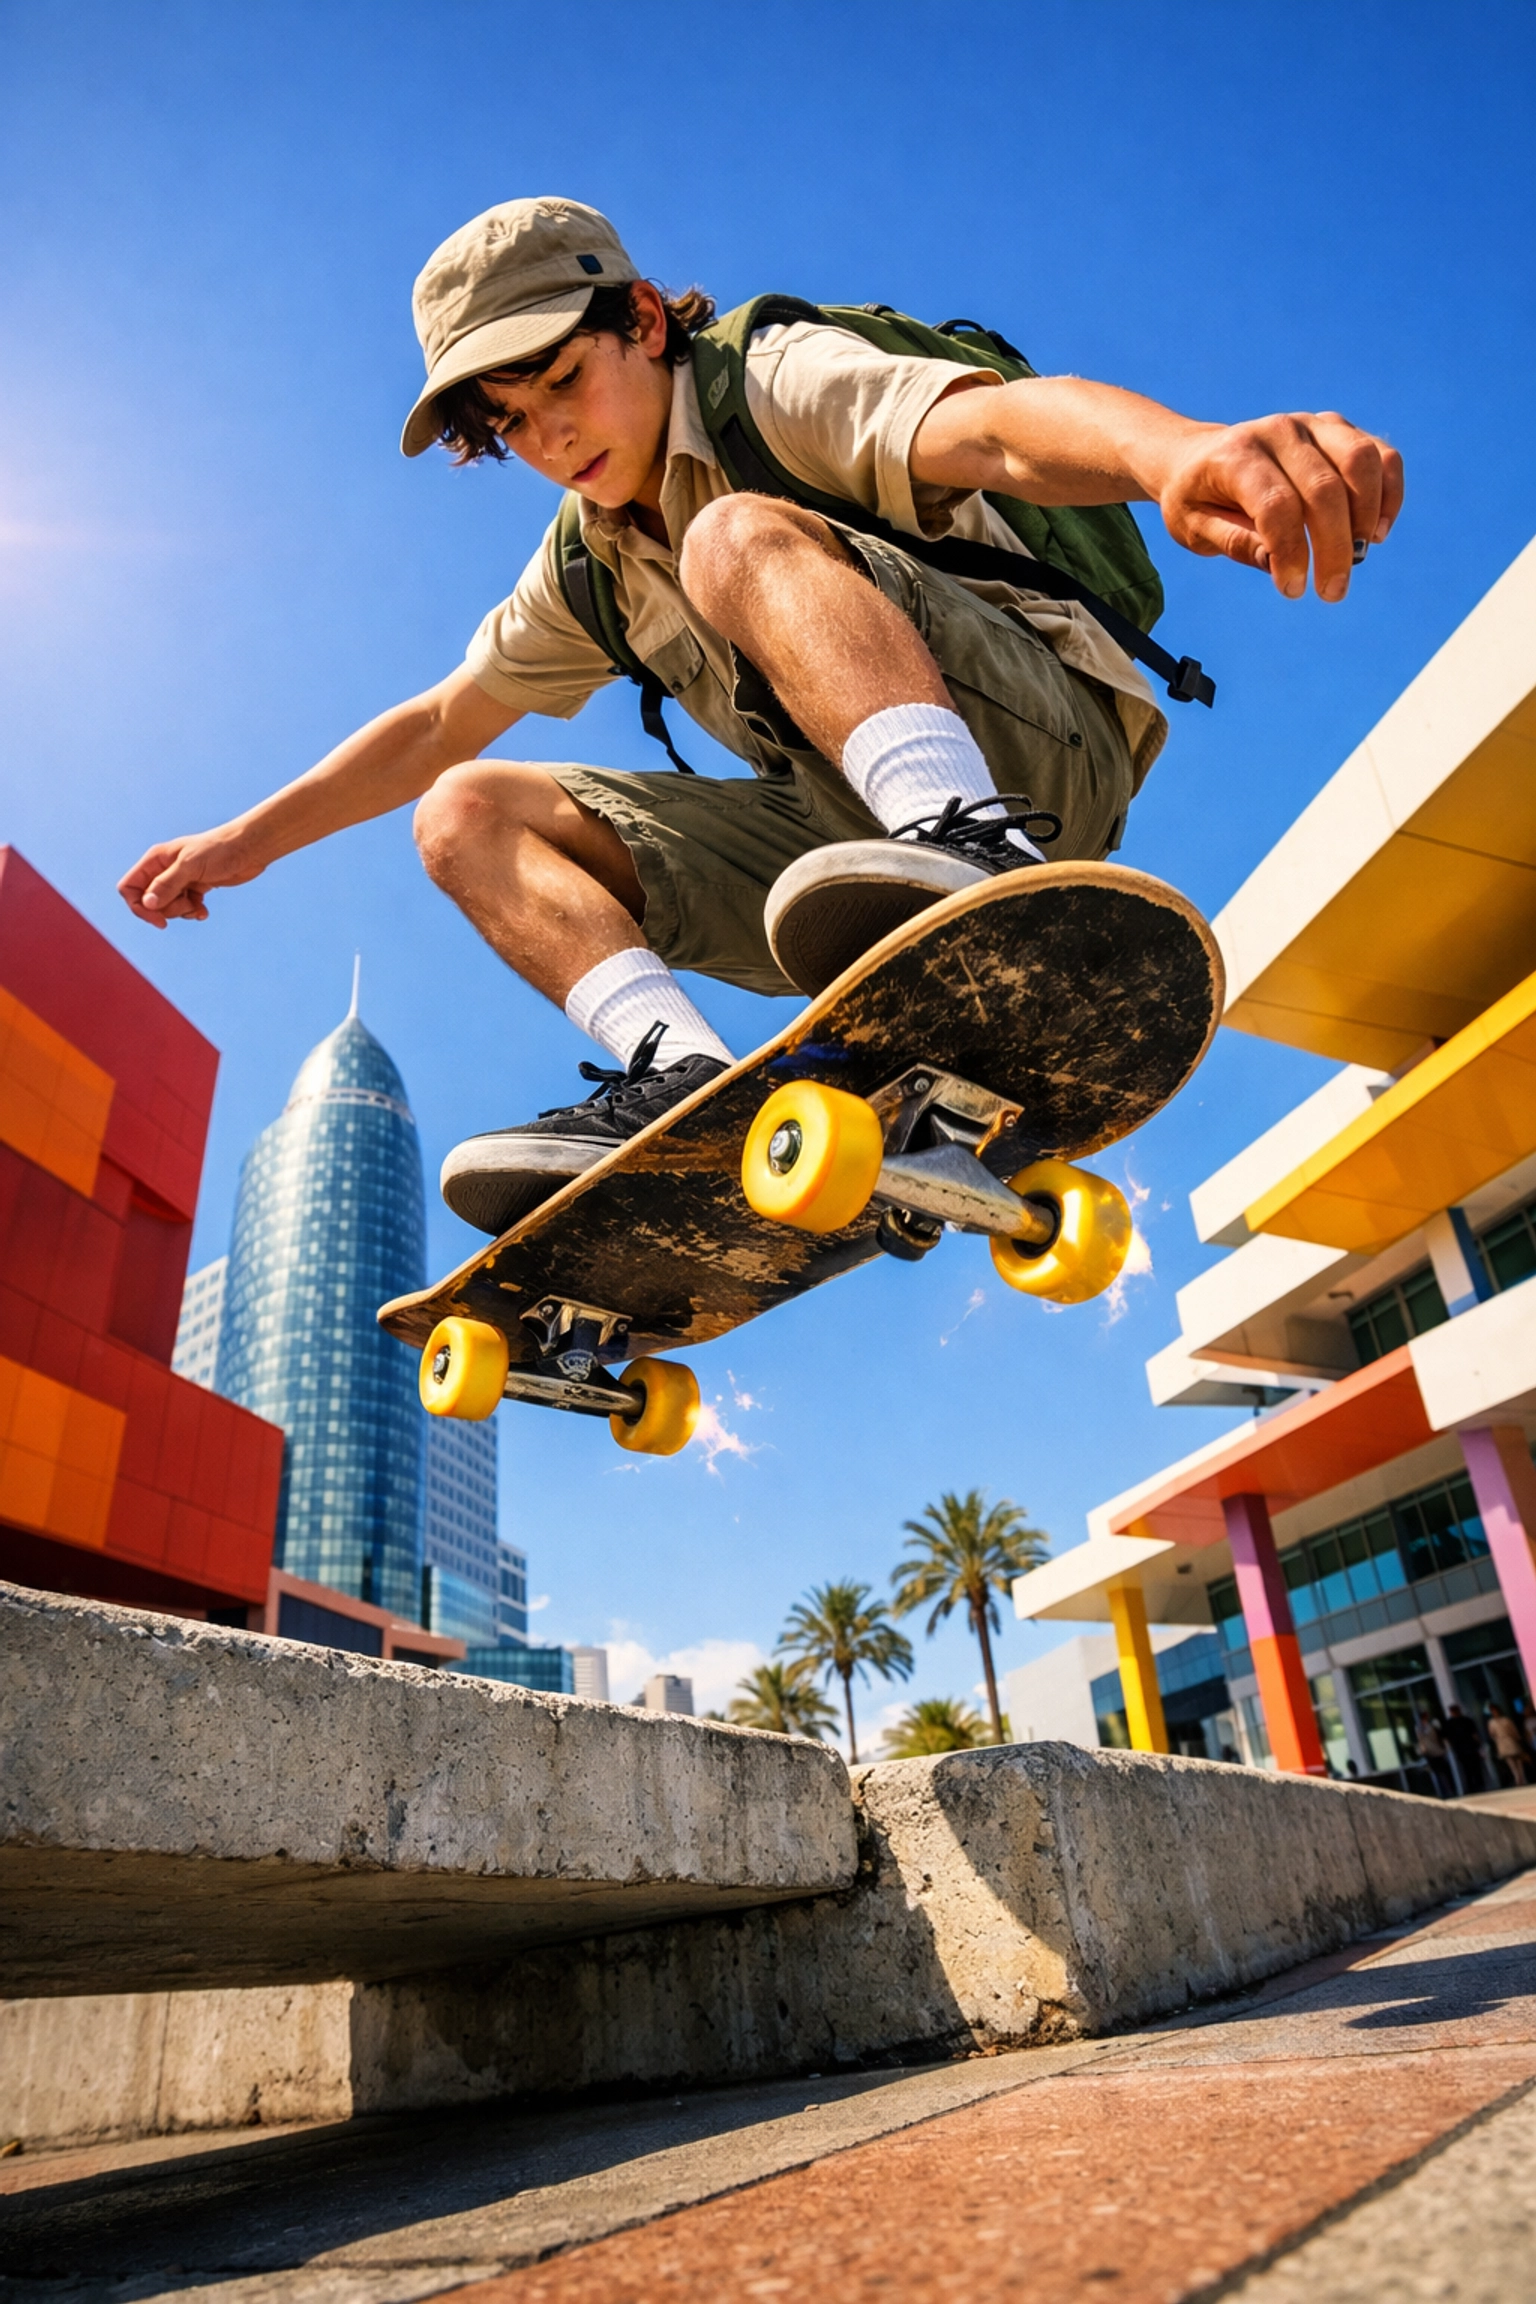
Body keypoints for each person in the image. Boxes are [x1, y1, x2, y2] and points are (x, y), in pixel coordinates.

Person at [119, 197, 1404, 1238]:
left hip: (1038, 754)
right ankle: (682, 1080)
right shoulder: (585, 564)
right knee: (465, 811)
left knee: (731, 536)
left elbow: (1001, 434)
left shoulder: (766, 380)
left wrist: (1179, 451)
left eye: (563, 381)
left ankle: (977, 862)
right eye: (510, 426)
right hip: (841, 853)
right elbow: (438, 727)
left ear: (640, 319)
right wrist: (247, 842)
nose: (554, 439)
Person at [1443, 1703, 1486, 1796]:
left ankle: (1475, 1786)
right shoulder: (1464, 1721)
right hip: (1466, 1748)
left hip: (1464, 1748)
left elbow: (1447, 1738)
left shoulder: (1452, 1723)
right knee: (1472, 1768)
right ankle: (1476, 1786)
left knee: (1470, 1768)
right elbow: (1474, 1734)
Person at [1486, 1703, 1529, 1788]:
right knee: (1511, 1761)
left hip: (1510, 1740)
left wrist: (1517, 1739)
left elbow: (1514, 1731)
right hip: (1502, 1742)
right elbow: (1492, 1734)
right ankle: (1518, 1778)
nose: (1494, 1713)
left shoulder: (1506, 1720)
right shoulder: (1492, 1722)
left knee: (1518, 1759)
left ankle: (1522, 1778)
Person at [1414, 1709, 1454, 1799]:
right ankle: (1444, 1792)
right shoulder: (1424, 1727)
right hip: (1431, 1752)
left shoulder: (1427, 1726)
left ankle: (1447, 1791)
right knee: (1438, 1773)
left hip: (1436, 1751)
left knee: (1442, 1772)